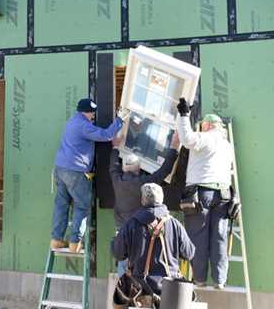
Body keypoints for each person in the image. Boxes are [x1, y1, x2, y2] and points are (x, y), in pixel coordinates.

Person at [50, 98, 129, 252]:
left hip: (60, 169)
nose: (93, 115)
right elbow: (106, 135)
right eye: (92, 112)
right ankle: (75, 243)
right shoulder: (83, 126)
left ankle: (56, 239)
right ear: (86, 112)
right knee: (82, 206)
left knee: (61, 205)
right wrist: (120, 120)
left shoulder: (71, 122)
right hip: (76, 171)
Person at [176, 98, 233, 289]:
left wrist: (184, 115)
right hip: (224, 195)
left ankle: (199, 279)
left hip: (202, 194)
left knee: (198, 238)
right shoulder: (226, 145)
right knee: (219, 238)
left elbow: (186, 139)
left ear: (207, 125)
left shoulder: (207, 137)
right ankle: (220, 280)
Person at [109, 132, 180, 276]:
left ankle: (123, 292)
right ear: (138, 168)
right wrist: (174, 147)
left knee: (123, 265)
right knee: (139, 263)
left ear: (124, 168)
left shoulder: (117, 180)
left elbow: (113, 166)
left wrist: (115, 147)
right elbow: (164, 171)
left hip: (121, 228)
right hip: (137, 229)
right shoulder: (142, 183)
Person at [111, 183, 195, 297]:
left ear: (142, 200)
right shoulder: (175, 224)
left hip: (140, 289)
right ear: (162, 199)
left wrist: (115, 240)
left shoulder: (131, 224)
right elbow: (189, 253)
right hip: (170, 288)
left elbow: (118, 254)